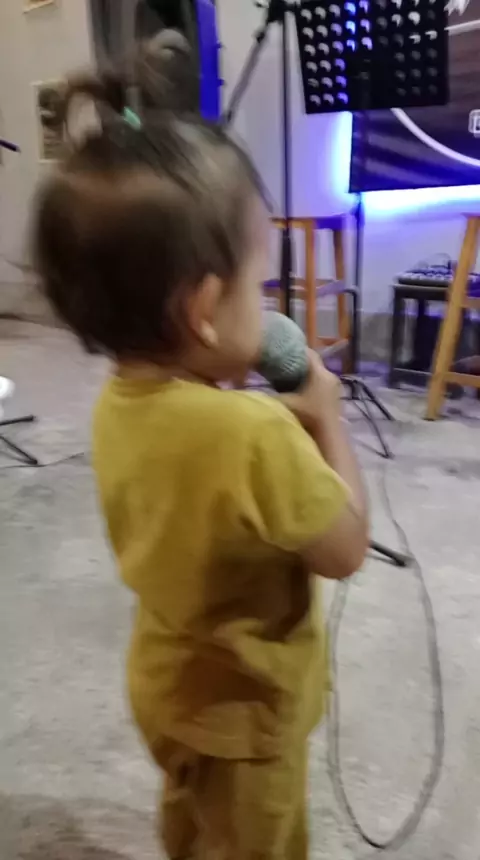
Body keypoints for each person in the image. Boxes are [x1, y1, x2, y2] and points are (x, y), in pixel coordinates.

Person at [30, 51, 369, 860]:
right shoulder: (256, 436)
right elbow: (345, 548)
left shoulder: (118, 405)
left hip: (168, 688)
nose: (271, 306)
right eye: (261, 286)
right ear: (205, 310)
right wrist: (326, 418)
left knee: (190, 820)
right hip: (246, 716)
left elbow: (197, 466)